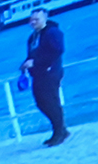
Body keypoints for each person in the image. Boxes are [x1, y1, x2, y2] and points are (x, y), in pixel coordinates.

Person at [20, 8, 69, 145]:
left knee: (51, 102)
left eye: (37, 19)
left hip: (50, 72)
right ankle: (59, 129)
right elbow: (33, 53)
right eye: (31, 20)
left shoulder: (52, 32)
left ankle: (60, 132)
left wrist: (36, 62)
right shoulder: (33, 37)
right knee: (41, 103)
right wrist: (26, 64)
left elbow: (57, 51)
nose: (33, 22)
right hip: (38, 74)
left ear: (45, 19)